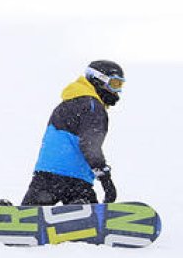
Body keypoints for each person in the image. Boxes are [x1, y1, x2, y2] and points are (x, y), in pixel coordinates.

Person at [20, 60, 123, 206]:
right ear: (98, 80)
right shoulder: (94, 107)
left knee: (29, 218)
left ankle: (3, 217)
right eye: (114, 84)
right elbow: (89, 144)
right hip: (75, 180)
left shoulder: (65, 104)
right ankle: (78, 207)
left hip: (45, 175)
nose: (117, 91)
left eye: (120, 86)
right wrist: (106, 179)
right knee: (91, 221)